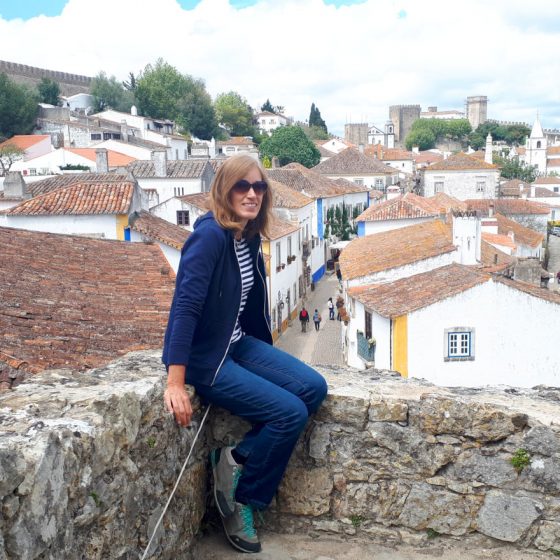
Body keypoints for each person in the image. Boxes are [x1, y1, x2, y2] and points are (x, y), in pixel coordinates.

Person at [162, 155, 327, 554]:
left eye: (259, 187)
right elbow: (185, 307)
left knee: (312, 387)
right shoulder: (210, 238)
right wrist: (175, 380)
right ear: (224, 190)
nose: (252, 193)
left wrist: (265, 360)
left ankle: (233, 457)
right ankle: (241, 499)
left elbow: (249, 304)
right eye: (242, 186)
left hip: (238, 344)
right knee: (288, 413)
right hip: (209, 359)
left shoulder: (247, 236)